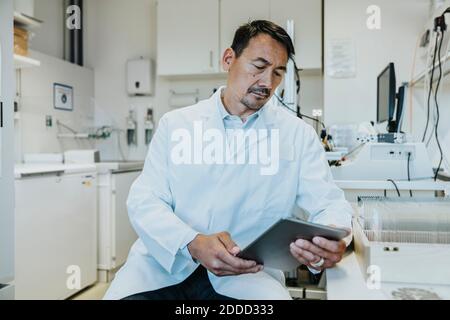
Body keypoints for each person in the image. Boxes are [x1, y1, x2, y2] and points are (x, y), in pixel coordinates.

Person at [104, 20, 352, 300]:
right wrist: (191, 242)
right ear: (228, 59)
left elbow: (329, 203)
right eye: (259, 67)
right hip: (164, 268)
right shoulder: (176, 125)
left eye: (278, 73)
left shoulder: (298, 135)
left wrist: (330, 240)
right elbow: (145, 200)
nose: (268, 83)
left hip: (247, 276)